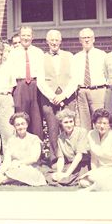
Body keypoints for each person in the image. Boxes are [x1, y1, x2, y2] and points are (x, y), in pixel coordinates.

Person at [7, 26, 55, 140]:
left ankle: (38, 150)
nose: (25, 38)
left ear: (32, 37)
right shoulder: (13, 53)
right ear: (20, 36)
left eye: (28, 35)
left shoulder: (38, 53)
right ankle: (21, 147)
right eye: (23, 35)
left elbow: (42, 73)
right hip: (20, 86)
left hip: (35, 85)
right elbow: (9, 73)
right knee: (20, 117)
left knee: (36, 118)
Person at [41, 29, 78, 164]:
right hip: (49, 99)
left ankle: (70, 158)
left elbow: (75, 79)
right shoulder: (42, 58)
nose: (54, 42)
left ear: (60, 41)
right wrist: (52, 97)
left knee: (69, 127)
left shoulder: (69, 56)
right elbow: (40, 81)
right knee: (52, 128)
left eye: (56, 40)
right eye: (51, 40)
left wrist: (63, 95)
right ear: (47, 41)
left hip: (67, 98)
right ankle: (55, 159)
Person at [0, 112, 46, 186]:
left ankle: (5, 180)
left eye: (22, 123)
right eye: (17, 125)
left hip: (30, 168)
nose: (20, 126)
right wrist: (0, 173)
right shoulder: (11, 140)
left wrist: (19, 163)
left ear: (27, 124)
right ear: (14, 126)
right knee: (11, 169)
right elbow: (7, 160)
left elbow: (34, 158)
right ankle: (10, 179)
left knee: (25, 170)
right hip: (14, 168)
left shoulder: (34, 139)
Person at [79, 109, 112, 188]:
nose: (102, 126)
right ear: (94, 123)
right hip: (101, 170)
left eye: (105, 123)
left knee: (97, 181)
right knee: (83, 182)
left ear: (109, 124)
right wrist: (94, 172)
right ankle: (103, 186)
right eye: (99, 123)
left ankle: (105, 185)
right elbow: (94, 160)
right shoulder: (91, 134)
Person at [72, 28, 108, 130]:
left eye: (89, 37)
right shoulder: (76, 57)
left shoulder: (102, 55)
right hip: (82, 92)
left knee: (99, 120)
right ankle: (87, 145)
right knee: (84, 124)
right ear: (80, 40)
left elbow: (107, 74)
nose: (86, 40)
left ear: (93, 39)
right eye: (84, 38)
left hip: (97, 91)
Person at [46, 108, 89, 186]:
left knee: (69, 177)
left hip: (82, 164)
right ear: (61, 123)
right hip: (70, 164)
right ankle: (64, 179)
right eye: (66, 122)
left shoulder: (82, 132)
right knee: (51, 175)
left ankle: (69, 179)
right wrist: (59, 173)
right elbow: (61, 158)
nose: (69, 125)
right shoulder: (60, 137)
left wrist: (66, 174)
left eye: (71, 121)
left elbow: (79, 156)